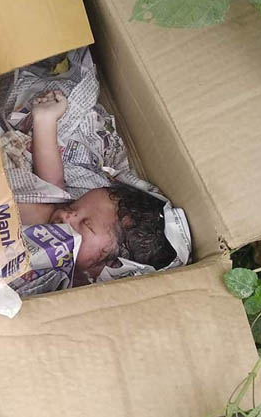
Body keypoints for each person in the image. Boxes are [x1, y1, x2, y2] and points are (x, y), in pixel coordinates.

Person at [17, 90, 176, 286]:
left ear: (109, 268)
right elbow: (53, 183)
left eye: (85, 226)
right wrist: (45, 119)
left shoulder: (68, 282)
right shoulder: (51, 210)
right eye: (72, 206)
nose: (66, 215)